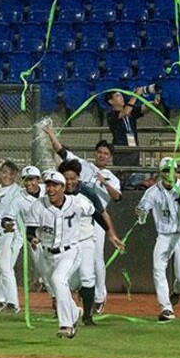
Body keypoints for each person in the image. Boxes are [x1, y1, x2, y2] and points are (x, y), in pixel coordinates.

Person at [43, 125, 122, 314]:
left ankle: (99, 297)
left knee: (96, 261)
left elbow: (118, 197)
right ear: (95, 153)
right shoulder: (84, 166)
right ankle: (76, 294)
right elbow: (61, 152)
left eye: (106, 153)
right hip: (76, 218)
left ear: (110, 157)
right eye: (100, 152)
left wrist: (103, 182)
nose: (102, 156)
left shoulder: (111, 176)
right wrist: (52, 134)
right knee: (71, 258)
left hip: (98, 220)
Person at [26, 171, 113, 339]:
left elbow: (96, 212)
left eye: (55, 185)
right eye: (48, 185)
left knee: (59, 280)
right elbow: (30, 230)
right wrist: (33, 238)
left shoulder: (77, 202)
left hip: (70, 251)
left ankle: (67, 325)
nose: (50, 189)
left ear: (63, 187)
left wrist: (109, 232)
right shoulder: (38, 206)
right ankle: (75, 311)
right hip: (47, 254)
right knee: (58, 287)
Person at [57, 159, 125, 326]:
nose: (70, 182)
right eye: (66, 178)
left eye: (73, 178)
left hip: (86, 239)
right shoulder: (56, 193)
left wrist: (111, 235)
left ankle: (87, 316)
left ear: (78, 177)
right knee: (64, 280)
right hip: (66, 242)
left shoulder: (87, 192)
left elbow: (101, 214)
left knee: (88, 276)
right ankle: (72, 309)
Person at [135, 157, 180, 322]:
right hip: (164, 235)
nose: (169, 174)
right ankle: (165, 307)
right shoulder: (152, 191)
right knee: (158, 268)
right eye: (166, 170)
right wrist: (140, 213)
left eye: (172, 170)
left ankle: (178, 290)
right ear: (160, 173)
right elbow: (142, 213)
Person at [1, 165, 47, 301]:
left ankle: (56, 299)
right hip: (27, 234)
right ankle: (9, 301)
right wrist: (7, 225)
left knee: (46, 271)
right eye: (26, 180)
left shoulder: (48, 190)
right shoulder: (19, 197)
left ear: (38, 179)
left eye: (32, 179)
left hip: (48, 233)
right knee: (7, 266)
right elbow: (6, 218)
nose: (28, 183)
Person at [0, 161, 22, 313]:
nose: (7, 176)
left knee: (5, 268)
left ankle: (13, 303)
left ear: (15, 176)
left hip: (9, 234)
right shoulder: (0, 189)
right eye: (4, 172)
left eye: (11, 173)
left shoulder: (17, 192)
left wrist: (12, 232)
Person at [104, 87, 161, 169]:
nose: (122, 98)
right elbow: (125, 112)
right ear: (111, 101)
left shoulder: (131, 111)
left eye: (121, 96)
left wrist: (154, 103)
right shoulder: (111, 115)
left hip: (134, 148)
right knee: (122, 174)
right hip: (121, 150)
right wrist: (136, 95)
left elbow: (143, 108)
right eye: (118, 96)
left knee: (135, 173)